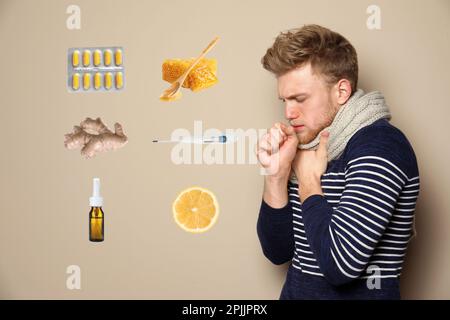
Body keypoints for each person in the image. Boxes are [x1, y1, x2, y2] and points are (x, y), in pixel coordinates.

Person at [256, 24, 420, 299]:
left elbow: (340, 266)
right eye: (284, 100)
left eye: (300, 99)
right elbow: (277, 252)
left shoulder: (381, 146)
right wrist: (276, 175)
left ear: (341, 91)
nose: (288, 112)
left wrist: (309, 183)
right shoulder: (307, 147)